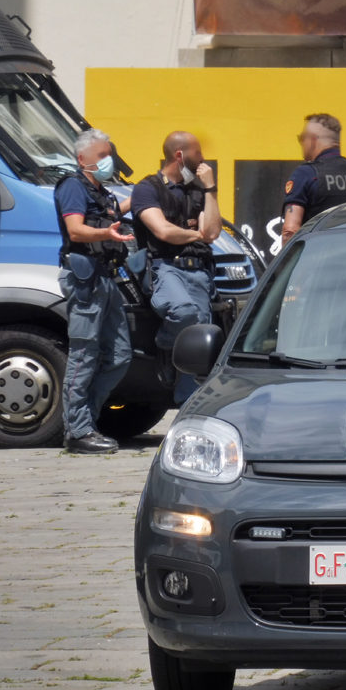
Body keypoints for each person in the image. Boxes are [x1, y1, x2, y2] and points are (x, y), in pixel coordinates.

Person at [53, 128, 134, 454]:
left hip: (105, 277)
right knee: (84, 355)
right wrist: (108, 234)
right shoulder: (73, 187)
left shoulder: (101, 191)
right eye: (102, 156)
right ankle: (77, 431)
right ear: (82, 159)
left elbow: (111, 217)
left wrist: (140, 196)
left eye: (109, 154)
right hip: (85, 278)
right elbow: (75, 229)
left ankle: (87, 422)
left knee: (119, 356)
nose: (108, 161)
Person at [131, 131, 221, 405]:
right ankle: (166, 345)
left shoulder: (197, 191)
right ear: (179, 156)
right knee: (184, 312)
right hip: (166, 267)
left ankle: (187, 405)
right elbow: (163, 232)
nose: (203, 158)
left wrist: (210, 190)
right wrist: (196, 235)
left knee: (199, 345)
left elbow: (213, 231)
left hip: (199, 270)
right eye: (198, 153)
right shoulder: (148, 188)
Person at [280, 113, 346, 250]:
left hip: (318, 264)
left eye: (301, 139)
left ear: (312, 140)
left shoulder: (306, 174)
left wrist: (289, 268)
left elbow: (290, 230)